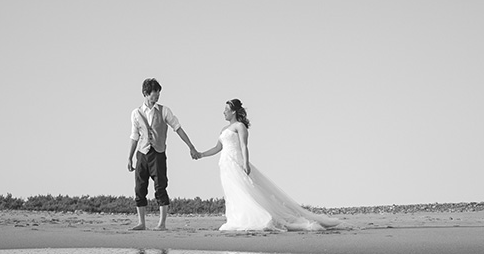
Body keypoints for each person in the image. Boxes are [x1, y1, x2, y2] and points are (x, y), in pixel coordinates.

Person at [193, 98, 340, 232]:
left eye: (226, 110)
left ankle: (255, 218)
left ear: (233, 112)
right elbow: (217, 148)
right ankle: (236, 218)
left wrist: (245, 163)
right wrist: (201, 154)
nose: (223, 112)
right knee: (232, 193)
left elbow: (244, 146)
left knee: (245, 190)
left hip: (236, 162)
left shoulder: (240, 126)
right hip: (225, 164)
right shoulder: (223, 130)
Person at [127, 78, 199, 230]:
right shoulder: (136, 113)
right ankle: (141, 222)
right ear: (146, 94)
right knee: (140, 188)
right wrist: (129, 157)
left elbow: (178, 128)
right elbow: (134, 136)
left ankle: (162, 223)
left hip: (158, 153)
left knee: (160, 187)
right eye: (155, 93)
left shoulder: (164, 110)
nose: (158, 95)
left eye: (159, 92)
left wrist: (191, 147)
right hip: (142, 154)